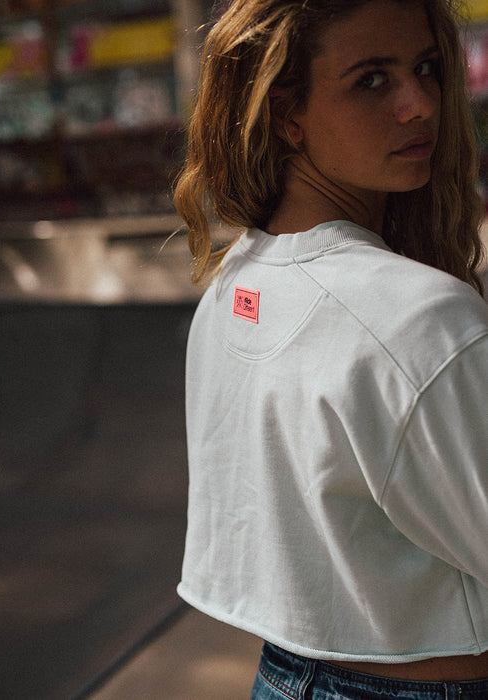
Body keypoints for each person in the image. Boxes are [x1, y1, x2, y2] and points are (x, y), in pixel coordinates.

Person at [174, 0, 488, 698]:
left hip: (283, 678)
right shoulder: (421, 318)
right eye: (371, 80)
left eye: (426, 69)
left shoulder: (236, 285)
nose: (419, 104)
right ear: (288, 114)